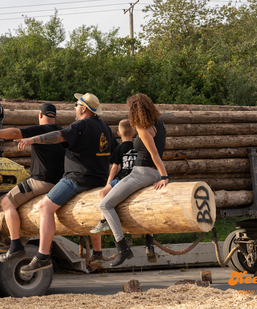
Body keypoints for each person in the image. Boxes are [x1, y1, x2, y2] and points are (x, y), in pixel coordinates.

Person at [15, 92, 117, 274]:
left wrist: (32, 139)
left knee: (44, 207)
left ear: (84, 108)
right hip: (99, 180)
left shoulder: (80, 125)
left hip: (76, 179)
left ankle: (42, 256)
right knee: (94, 210)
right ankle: (98, 253)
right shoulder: (105, 127)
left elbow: (59, 136)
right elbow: (115, 152)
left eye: (77, 105)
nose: (75, 108)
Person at [0, 102, 66, 263]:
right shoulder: (62, 132)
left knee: (6, 203)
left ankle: (15, 245)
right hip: (61, 183)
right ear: (55, 117)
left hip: (42, 181)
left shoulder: (40, 130)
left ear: (40, 115)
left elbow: (15, 132)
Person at [99, 93, 168, 267]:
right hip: (145, 172)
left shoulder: (142, 127)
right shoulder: (159, 123)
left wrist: (164, 176)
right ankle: (145, 243)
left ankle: (122, 248)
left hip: (143, 173)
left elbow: (154, 154)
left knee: (105, 204)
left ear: (135, 110)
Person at [90, 119, 137, 234]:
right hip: (136, 178)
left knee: (102, 193)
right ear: (134, 133)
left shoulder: (119, 148)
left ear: (118, 134)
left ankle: (103, 220)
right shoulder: (138, 147)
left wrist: (108, 184)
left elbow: (114, 168)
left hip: (122, 179)